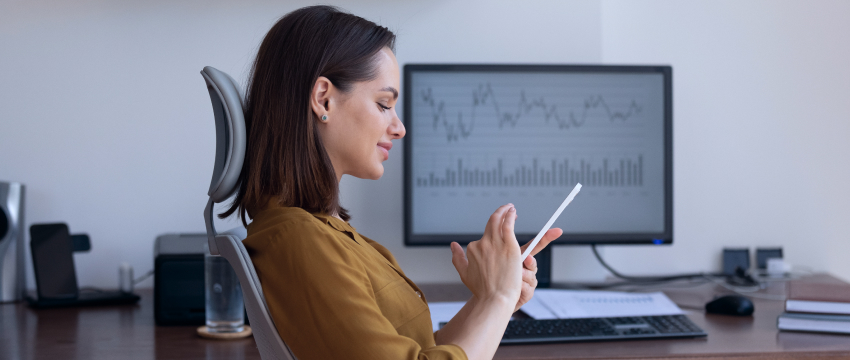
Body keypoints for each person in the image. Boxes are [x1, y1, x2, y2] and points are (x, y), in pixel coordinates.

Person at [221, 6, 562, 360]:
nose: (399, 128)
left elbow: (420, 351)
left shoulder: (325, 231)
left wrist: (493, 300)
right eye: (384, 104)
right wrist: (497, 298)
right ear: (323, 99)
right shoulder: (300, 240)